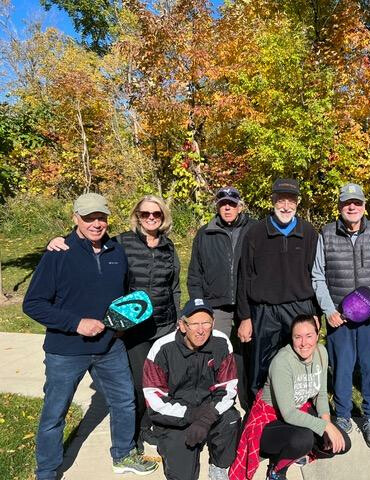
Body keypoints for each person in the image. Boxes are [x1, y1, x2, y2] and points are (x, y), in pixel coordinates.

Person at [23, 192, 157, 479]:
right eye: (89, 218)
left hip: (110, 347)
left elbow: (122, 295)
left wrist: (121, 324)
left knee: (123, 401)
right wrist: (76, 323)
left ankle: (122, 455)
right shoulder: (58, 254)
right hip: (65, 351)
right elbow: (32, 304)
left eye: (101, 217)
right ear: (76, 219)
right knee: (54, 415)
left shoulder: (116, 251)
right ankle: (46, 471)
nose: (96, 224)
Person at [47, 194, 181, 451]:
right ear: (137, 216)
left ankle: (145, 428)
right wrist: (57, 240)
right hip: (132, 327)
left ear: (163, 217)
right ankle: (132, 437)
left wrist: (175, 321)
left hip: (163, 325)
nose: (151, 218)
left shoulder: (168, 247)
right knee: (137, 386)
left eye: (156, 214)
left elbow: (174, 287)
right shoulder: (121, 242)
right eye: (145, 214)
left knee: (158, 383)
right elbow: (87, 238)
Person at [311, 183, 370, 448]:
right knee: (342, 369)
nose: (352, 207)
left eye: (357, 203)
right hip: (340, 318)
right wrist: (329, 310)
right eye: (347, 203)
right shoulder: (326, 234)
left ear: (364, 207)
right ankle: (344, 416)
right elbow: (318, 276)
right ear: (339, 207)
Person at [229, 314, 351, 480]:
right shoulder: (282, 362)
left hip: (298, 412)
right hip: (270, 420)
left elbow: (321, 395)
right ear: (291, 338)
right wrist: (325, 427)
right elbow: (288, 413)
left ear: (317, 335)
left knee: (342, 444)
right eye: (297, 337)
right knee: (304, 439)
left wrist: (327, 423)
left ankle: (293, 451)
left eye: (309, 336)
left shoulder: (321, 353)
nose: (304, 343)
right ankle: (276, 470)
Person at [236, 178, 319, 395]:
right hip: (265, 310)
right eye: (281, 200)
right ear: (272, 201)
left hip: (299, 308)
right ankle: (261, 413)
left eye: (291, 201)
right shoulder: (255, 233)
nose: (286, 206)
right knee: (262, 365)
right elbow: (244, 276)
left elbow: (317, 275)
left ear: (297, 203)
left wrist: (316, 313)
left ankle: (302, 410)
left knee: (302, 361)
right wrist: (245, 317)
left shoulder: (308, 232)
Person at [143, 298, 241, 480]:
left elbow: (228, 388)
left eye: (206, 323)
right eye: (194, 324)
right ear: (182, 325)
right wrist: (193, 416)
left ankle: (218, 466)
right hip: (175, 417)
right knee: (182, 476)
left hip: (209, 409)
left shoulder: (221, 342)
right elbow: (155, 400)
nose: (201, 329)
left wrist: (207, 418)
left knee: (231, 419)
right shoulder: (161, 349)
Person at [188, 186, 255, 338]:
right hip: (217, 303)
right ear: (217, 207)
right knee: (217, 347)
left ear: (240, 207)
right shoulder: (205, 234)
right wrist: (199, 306)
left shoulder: (254, 229)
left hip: (248, 302)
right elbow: (195, 274)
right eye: (223, 204)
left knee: (250, 349)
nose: (227, 208)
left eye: (231, 204)